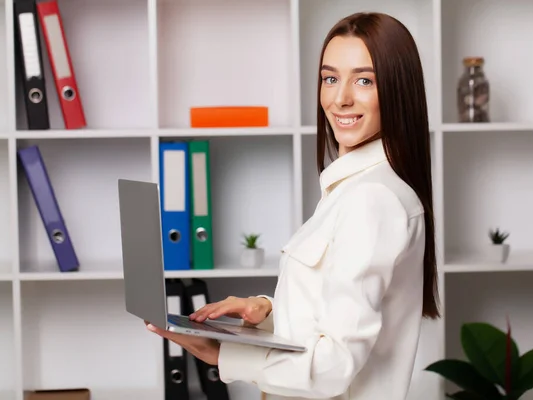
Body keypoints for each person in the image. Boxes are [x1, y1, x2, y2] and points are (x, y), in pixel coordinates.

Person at [146, 11, 440, 400]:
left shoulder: (373, 200)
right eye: (330, 78)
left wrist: (222, 356)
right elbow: (332, 313)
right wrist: (265, 310)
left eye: (365, 80)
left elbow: (334, 366)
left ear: (397, 90)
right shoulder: (355, 188)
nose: (340, 99)